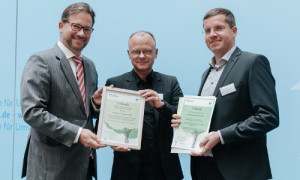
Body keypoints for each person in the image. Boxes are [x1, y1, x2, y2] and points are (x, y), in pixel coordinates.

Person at [172, 8, 279, 180]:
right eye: (207, 31)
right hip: (204, 168)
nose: (212, 34)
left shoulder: (252, 63)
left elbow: (268, 117)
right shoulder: (206, 73)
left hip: (240, 171)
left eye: (219, 28)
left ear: (234, 31)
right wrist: (184, 123)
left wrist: (221, 136)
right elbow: (210, 118)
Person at [20, 2, 106, 180]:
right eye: (76, 26)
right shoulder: (41, 61)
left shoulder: (90, 66)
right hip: (51, 168)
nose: (81, 33)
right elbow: (33, 112)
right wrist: (76, 133)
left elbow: (82, 113)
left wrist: (94, 104)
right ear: (61, 26)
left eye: (87, 29)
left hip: (83, 167)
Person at [105, 31, 184, 180]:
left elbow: (182, 117)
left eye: (147, 51)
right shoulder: (115, 84)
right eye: (136, 52)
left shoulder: (170, 82)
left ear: (156, 53)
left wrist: (161, 105)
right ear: (129, 54)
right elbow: (105, 122)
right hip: (126, 169)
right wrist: (110, 141)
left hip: (164, 169)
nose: (141, 56)